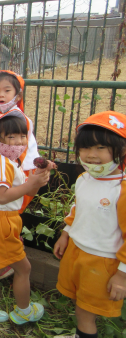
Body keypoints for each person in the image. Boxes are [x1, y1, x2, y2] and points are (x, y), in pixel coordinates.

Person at [0, 110, 50, 324]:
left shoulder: (10, 163)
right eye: (11, 137)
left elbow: (26, 192)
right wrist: (30, 185)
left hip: (0, 220)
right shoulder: (1, 163)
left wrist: (38, 180)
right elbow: (2, 196)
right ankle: (24, 311)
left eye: (22, 136)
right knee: (24, 268)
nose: (18, 142)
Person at [53, 111, 126, 338]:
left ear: (121, 150)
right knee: (79, 300)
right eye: (85, 148)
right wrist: (66, 233)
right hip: (77, 251)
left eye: (100, 148)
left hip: (103, 261)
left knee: (85, 313)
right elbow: (78, 209)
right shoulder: (83, 179)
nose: (91, 155)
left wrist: (122, 274)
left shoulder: (121, 189)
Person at [0, 70, 55, 279]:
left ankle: (9, 254)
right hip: (7, 170)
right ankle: (9, 252)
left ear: (18, 95)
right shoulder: (1, 119)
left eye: (7, 90)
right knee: (11, 211)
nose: (1, 95)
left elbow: (16, 150)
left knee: (12, 209)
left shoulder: (18, 119)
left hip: (20, 170)